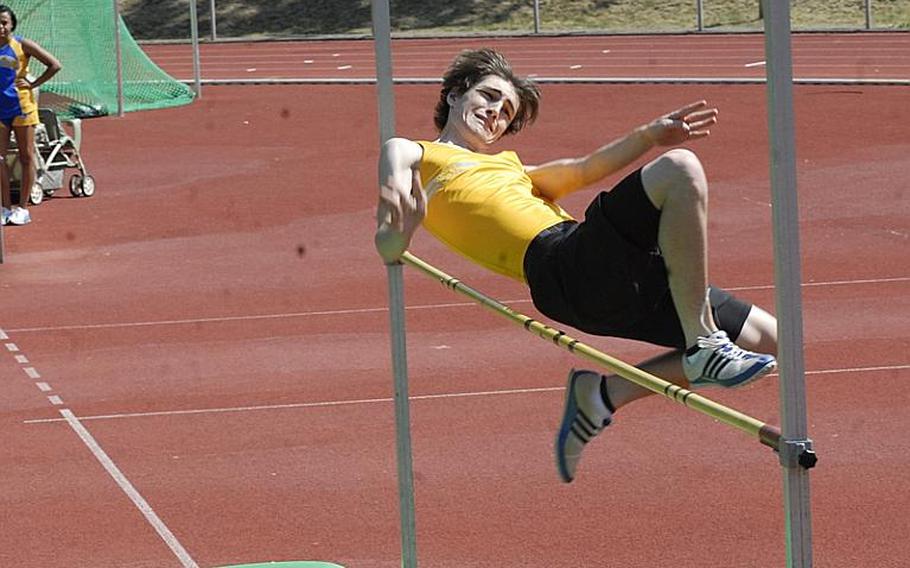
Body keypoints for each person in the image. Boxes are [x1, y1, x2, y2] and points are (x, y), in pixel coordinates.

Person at [375, 48, 778, 483]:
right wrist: (405, 226)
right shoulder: (413, 151)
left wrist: (649, 135)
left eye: (506, 111)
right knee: (680, 169)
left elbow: (581, 170)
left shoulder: (510, 167)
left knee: (773, 339)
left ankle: (602, 395)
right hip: (561, 267)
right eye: (488, 97)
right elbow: (388, 243)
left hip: (602, 274)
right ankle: (705, 346)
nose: (495, 113)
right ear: (455, 95)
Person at [0, 4, 62, 226]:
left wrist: (34, 83)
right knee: (0, 159)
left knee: (26, 156)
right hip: (0, 110)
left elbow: (54, 65)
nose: (0, 27)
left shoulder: (22, 45)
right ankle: (5, 207)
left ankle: (23, 209)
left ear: (12, 24)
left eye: (4, 22)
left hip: (22, 107)